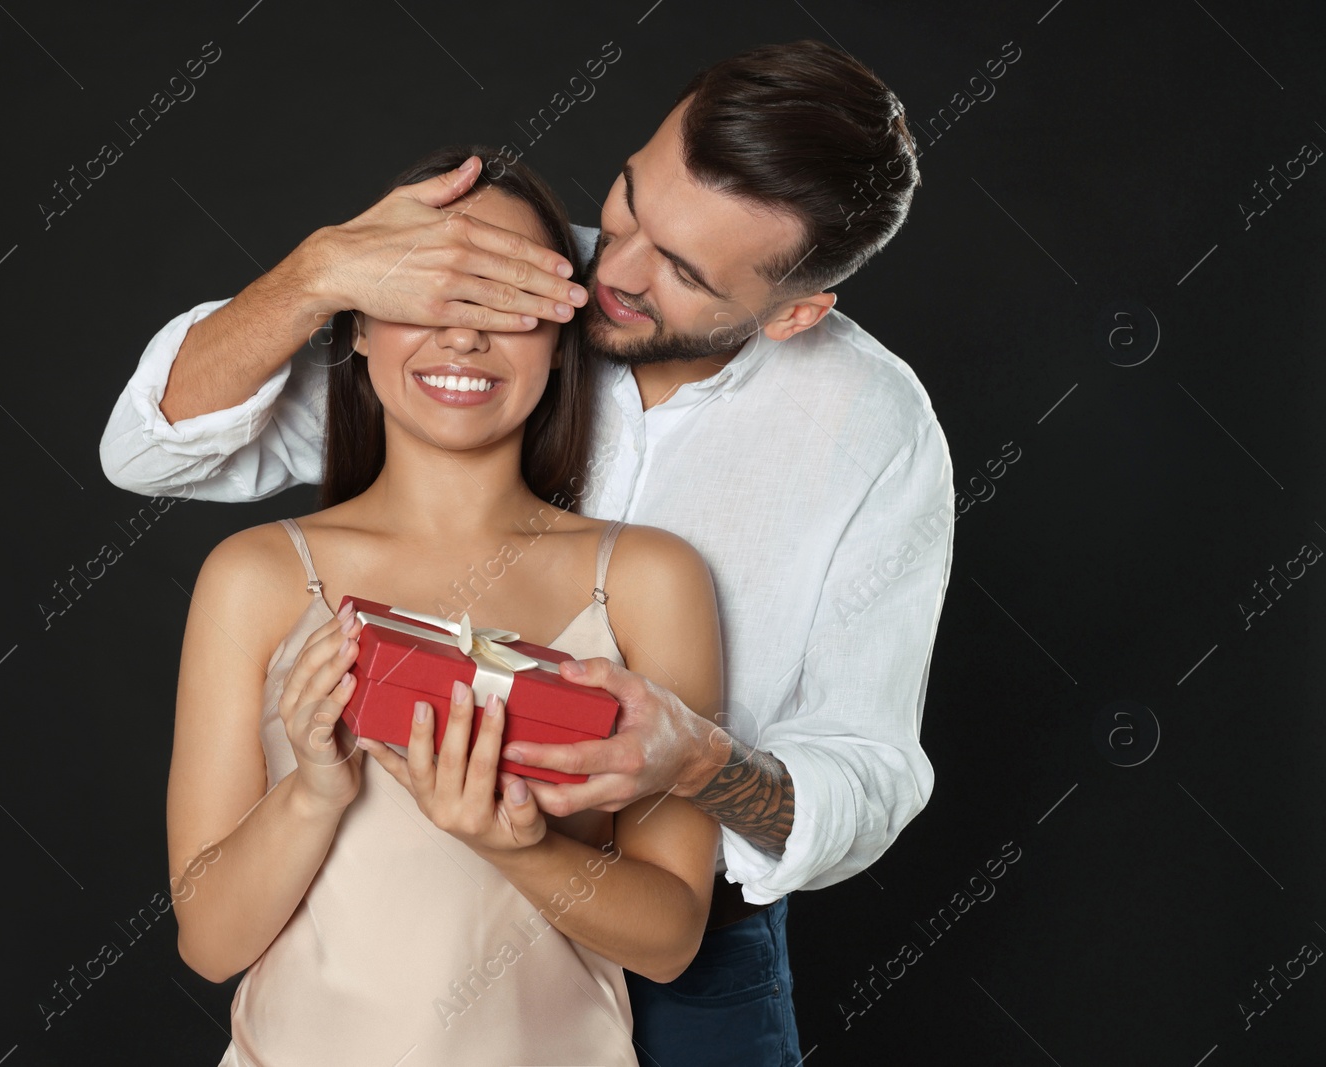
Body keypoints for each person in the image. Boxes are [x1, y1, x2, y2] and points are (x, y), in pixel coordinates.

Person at [115, 41, 954, 1067]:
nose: (620, 271)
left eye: (684, 272)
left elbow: (867, 770)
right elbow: (151, 443)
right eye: (633, 202)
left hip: (686, 952)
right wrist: (318, 274)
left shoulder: (872, 431)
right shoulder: (506, 285)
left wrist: (695, 758)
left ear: (793, 311)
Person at [165, 146, 722, 1067]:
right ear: (354, 326)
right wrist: (314, 790)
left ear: (563, 337)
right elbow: (209, 944)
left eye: (509, 304)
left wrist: (514, 845)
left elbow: (670, 938)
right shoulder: (257, 575)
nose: (463, 338)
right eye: (429, 294)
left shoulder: (648, 579)